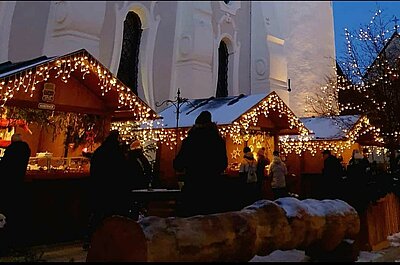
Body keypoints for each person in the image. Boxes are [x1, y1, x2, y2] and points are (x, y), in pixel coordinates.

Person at [173, 110, 228, 217]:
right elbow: (223, 164)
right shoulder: (218, 141)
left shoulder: (189, 141)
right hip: (213, 190)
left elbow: (178, 164)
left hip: (193, 188)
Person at [84, 130, 129, 249]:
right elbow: (122, 172)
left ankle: (90, 238)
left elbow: (95, 168)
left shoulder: (100, 151)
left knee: (98, 214)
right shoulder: (117, 153)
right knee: (111, 215)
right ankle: (109, 239)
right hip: (113, 189)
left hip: (99, 187)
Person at [0, 133, 31, 251]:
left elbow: (4, 167)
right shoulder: (25, 150)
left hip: (7, 188)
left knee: (6, 215)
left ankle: (6, 243)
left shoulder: (10, 151)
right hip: (18, 187)